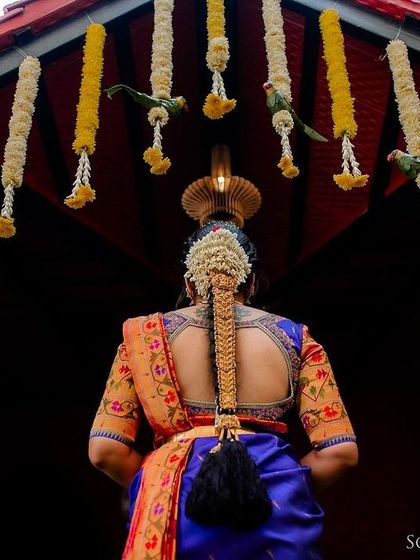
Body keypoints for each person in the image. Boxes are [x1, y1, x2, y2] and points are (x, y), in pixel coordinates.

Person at [89, 220, 358, 560]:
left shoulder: (142, 339)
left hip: (175, 503)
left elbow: (104, 450)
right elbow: (340, 453)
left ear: (189, 282)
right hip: (274, 501)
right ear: (253, 283)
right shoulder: (297, 338)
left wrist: (156, 480)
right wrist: (287, 485)